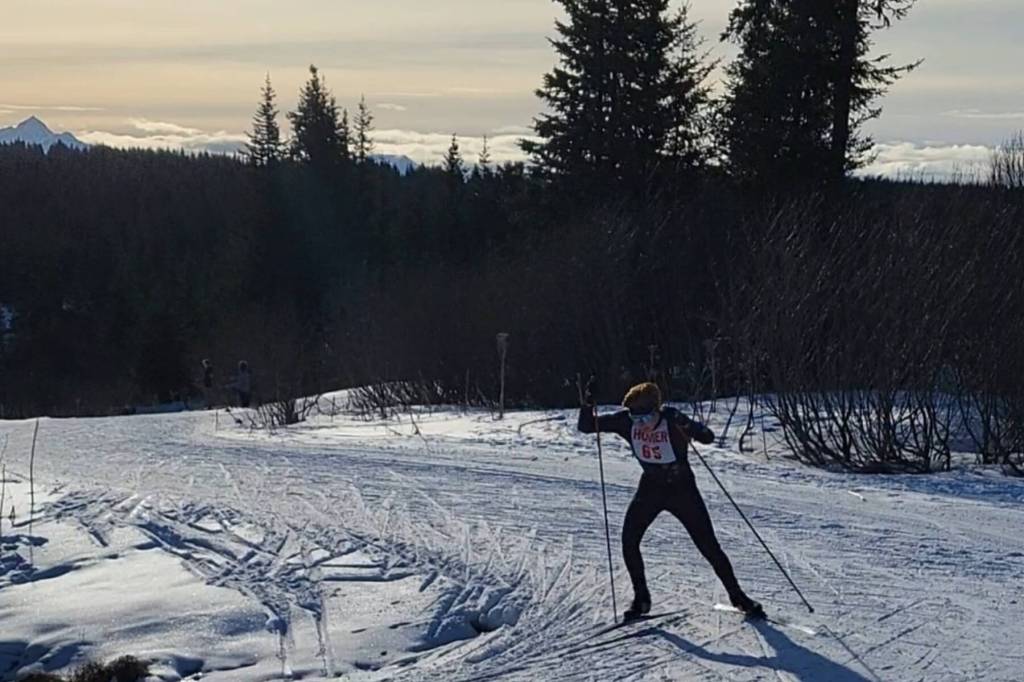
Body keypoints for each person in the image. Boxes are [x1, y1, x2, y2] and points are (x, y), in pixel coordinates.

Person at [578, 380, 764, 621]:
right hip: (651, 488)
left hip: (682, 490)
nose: (641, 425)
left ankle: (738, 597)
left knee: (708, 546)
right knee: (629, 541)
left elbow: (707, 437)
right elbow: (586, 426)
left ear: (657, 410)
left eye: (645, 418)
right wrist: (587, 404)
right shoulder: (627, 421)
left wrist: (687, 424)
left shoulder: (671, 420)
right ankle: (641, 599)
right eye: (636, 419)